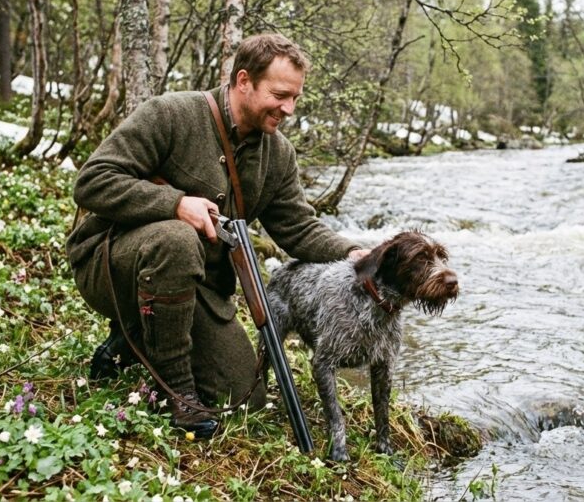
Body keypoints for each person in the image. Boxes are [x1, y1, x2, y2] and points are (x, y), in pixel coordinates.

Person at [66, 33, 366, 438]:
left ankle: (130, 341)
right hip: (110, 266)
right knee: (176, 239)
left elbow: (298, 227)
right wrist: (175, 203)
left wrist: (356, 253)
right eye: (280, 95)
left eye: (295, 97)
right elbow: (92, 182)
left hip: (198, 286)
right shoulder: (171, 114)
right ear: (244, 81)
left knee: (243, 396)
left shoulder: (278, 155)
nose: (289, 108)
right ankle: (179, 396)